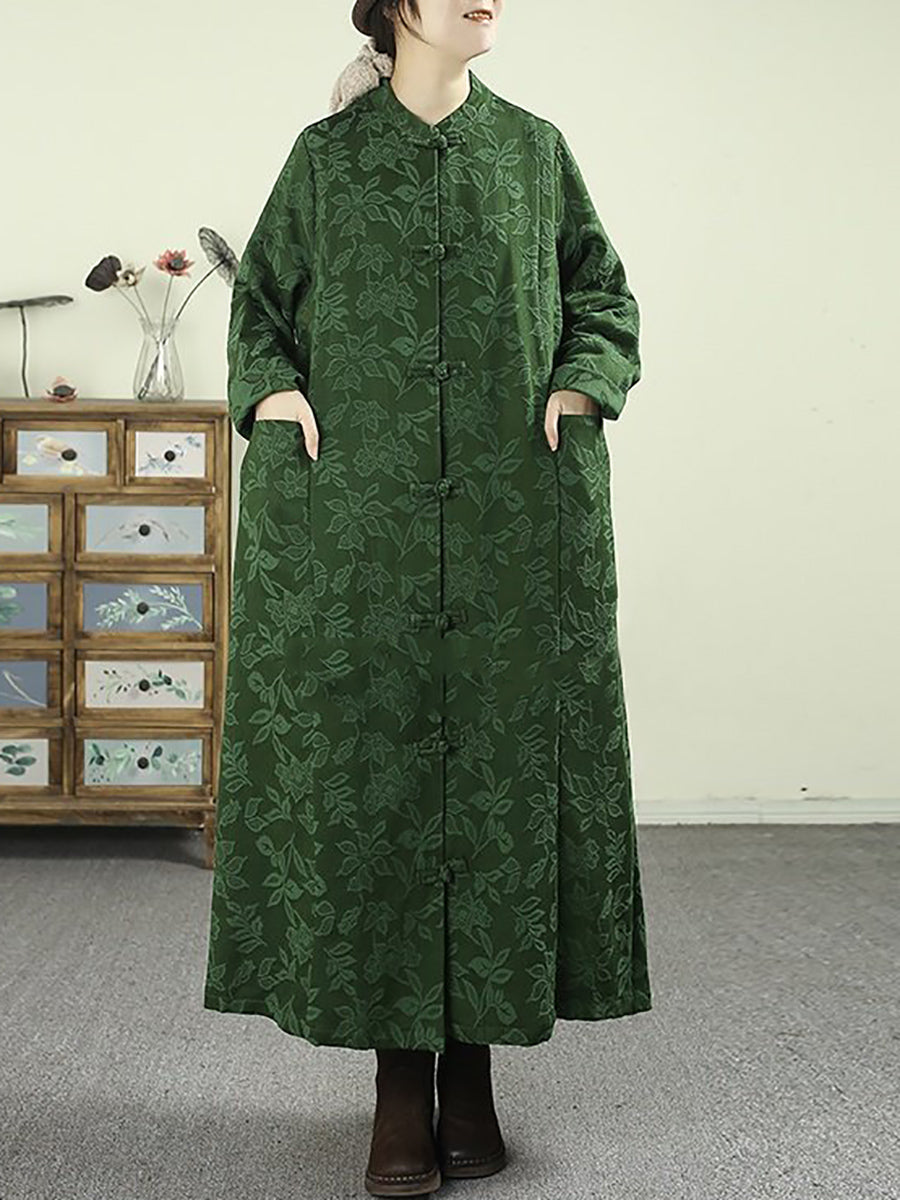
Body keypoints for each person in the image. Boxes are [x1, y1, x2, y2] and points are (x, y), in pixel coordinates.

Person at [203, 1, 652, 1195]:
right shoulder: (325, 160)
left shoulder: (536, 152)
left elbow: (604, 298)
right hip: (361, 536)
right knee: (379, 787)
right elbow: (261, 312)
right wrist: (272, 399)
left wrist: (581, 387)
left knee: (503, 780)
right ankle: (400, 1087)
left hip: (514, 533)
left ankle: (478, 1075)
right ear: (397, 5)